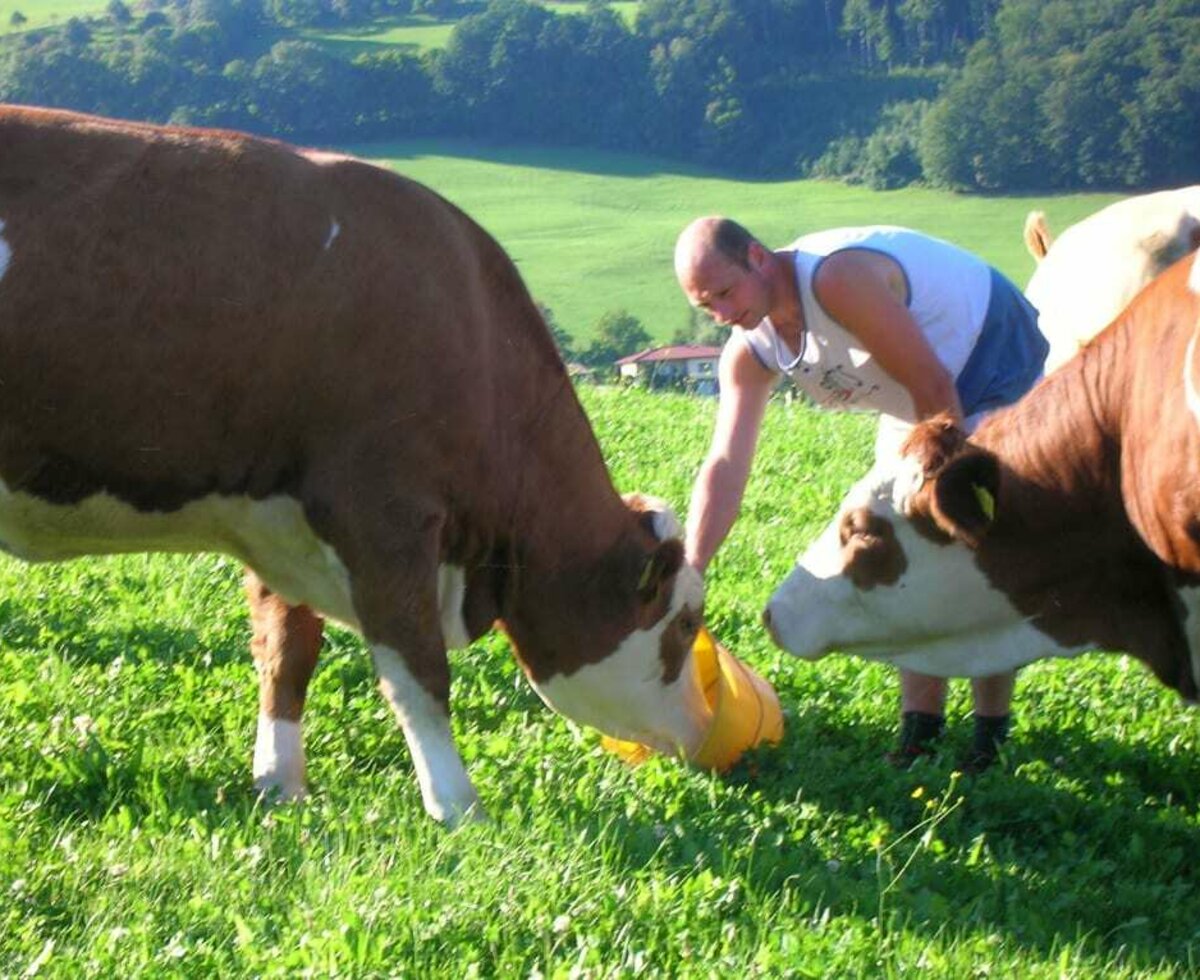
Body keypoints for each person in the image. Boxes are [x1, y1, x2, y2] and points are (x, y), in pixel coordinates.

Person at [674, 217, 1050, 772]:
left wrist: (944, 495)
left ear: (757, 256)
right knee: (908, 547)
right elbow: (726, 462)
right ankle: (920, 731)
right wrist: (692, 569)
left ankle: (988, 736)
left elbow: (935, 387)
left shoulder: (837, 280)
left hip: (992, 356)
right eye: (707, 307)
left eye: (725, 293)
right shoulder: (749, 350)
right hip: (916, 391)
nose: (723, 315)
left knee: (975, 546)